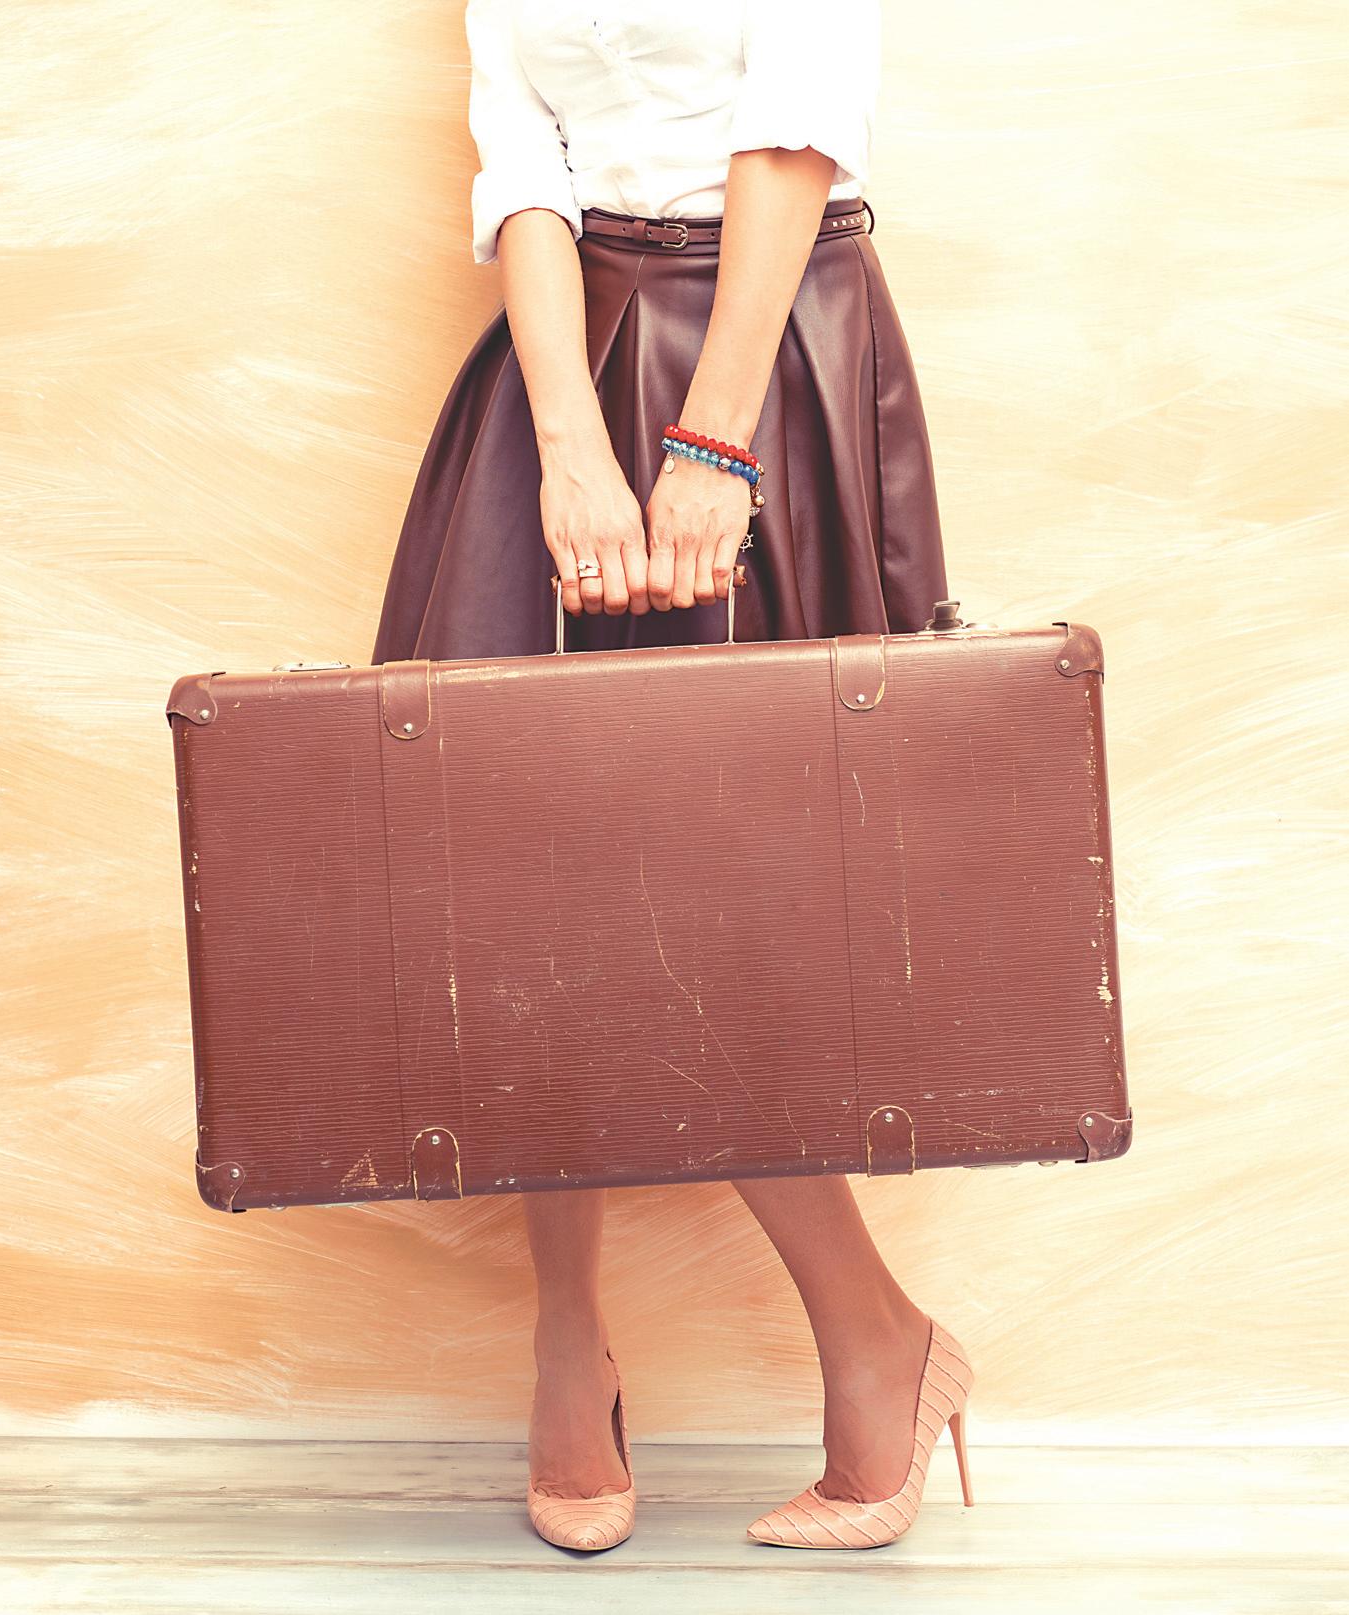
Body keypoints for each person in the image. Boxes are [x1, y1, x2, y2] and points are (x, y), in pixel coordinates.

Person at [369, 0, 975, 1553]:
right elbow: (524, 163)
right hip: (563, 366)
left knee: (726, 891)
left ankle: (873, 1336)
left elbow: (792, 130)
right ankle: (568, 1337)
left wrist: (714, 448)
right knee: (515, 869)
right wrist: (567, 444)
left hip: (768, 356)